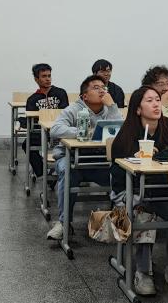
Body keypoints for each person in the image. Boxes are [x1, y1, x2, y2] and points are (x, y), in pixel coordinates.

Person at [109, 86, 168, 296]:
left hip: (163, 191)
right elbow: (118, 173)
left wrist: (159, 154)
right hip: (130, 192)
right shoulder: (127, 133)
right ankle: (143, 271)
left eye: (157, 99)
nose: (156, 104)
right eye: (149, 101)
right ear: (138, 109)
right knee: (143, 213)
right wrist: (137, 157)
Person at [46, 75, 123, 241]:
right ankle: (63, 223)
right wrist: (84, 132)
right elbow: (55, 130)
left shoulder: (109, 109)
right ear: (85, 96)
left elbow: (119, 131)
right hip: (72, 159)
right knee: (67, 172)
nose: (102, 90)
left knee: (123, 174)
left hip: (100, 160)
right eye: (96, 87)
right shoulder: (73, 109)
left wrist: (112, 106)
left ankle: (122, 220)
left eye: (104, 87)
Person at [24, 63, 69, 176]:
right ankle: (43, 174)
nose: (48, 79)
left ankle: (64, 171)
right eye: (44, 76)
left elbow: (65, 114)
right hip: (41, 132)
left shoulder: (60, 93)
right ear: (36, 79)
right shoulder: (32, 99)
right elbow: (32, 120)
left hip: (59, 131)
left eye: (49, 76)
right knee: (26, 144)